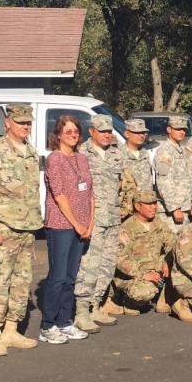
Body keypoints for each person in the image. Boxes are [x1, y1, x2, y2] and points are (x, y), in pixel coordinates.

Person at [0, 104, 44, 356]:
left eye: (28, 123)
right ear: (8, 123)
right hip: (3, 228)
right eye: (20, 122)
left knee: (21, 282)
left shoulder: (30, 152)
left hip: (26, 228)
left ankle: (11, 329)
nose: (25, 126)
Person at [39, 115, 94, 345]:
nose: (73, 135)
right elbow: (60, 196)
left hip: (82, 227)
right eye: (69, 131)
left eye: (76, 131)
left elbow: (90, 191)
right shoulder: (55, 159)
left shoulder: (81, 158)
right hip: (61, 226)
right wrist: (77, 223)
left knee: (71, 277)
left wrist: (90, 223)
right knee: (58, 277)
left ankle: (64, 321)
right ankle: (48, 325)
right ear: (59, 134)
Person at [74, 114, 124, 333]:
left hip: (112, 217)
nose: (106, 135)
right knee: (90, 264)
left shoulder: (115, 153)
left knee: (107, 263)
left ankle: (96, 304)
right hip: (93, 218)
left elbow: (121, 182)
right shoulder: (82, 154)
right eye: (102, 131)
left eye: (108, 131)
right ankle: (81, 311)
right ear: (91, 131)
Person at [112, 190, 175, 313]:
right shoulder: (127, 228)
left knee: (181, 260)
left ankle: (166, 298)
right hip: (133, 276)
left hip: (156, 271)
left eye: (155, 203)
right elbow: (120, 259)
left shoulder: (158, 223)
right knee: (145, 292)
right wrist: (143, 275)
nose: (154, 207)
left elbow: (172, 242)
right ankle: (128, 301)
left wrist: (168, 260)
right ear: (137, 206)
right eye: (149, 204)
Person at [154, 115, 192, 230]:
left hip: (184, 207)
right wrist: (175, 208)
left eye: (184, 129)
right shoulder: (165, 151)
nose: (182, 132)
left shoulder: (181, 150)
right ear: (169, 130)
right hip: (172, 212)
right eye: (178, 129)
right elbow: (163, 182)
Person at [119, 118, 154, 219]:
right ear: (127, 134)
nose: (142, 135)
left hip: (146, 207)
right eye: (137, 132)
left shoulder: (145, 153)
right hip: (128, 209)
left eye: (143, 132)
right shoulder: (119, 154)